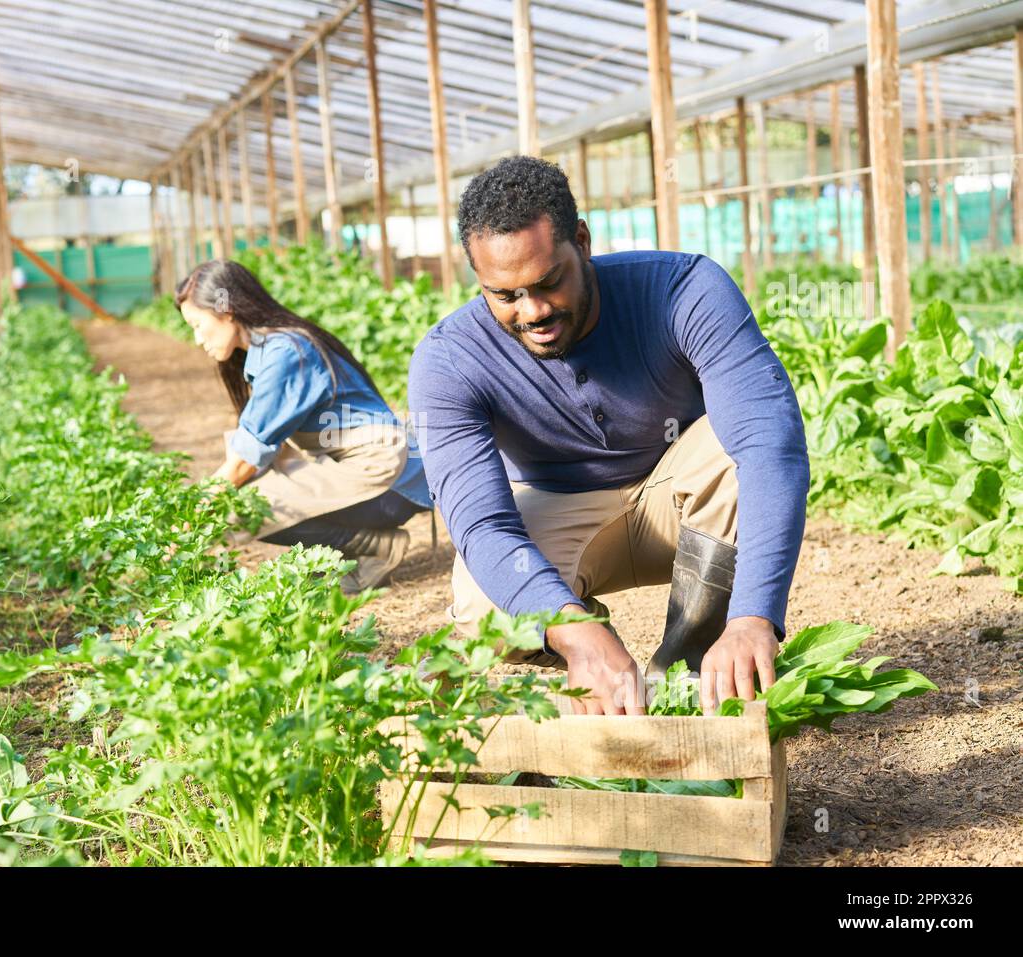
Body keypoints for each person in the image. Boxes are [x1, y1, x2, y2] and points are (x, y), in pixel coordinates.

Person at [407, 156, 809, 717]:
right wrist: (572, 630)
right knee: (484, 606)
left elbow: (770, 446)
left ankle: (692, 675)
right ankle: (596, 660)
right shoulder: (449, 359)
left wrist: (753, 617)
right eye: (506, 295)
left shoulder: (683, 289)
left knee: (739, 448)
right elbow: (481, 525)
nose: (535, 310)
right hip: (563, 506)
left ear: (582, 241)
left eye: (550, 282)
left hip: (686, 496)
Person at [177, 259, 431, 593]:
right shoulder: (268, 349)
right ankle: (348, 549)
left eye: (197, 324)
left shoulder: (285, 352)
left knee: (238, 508)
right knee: (243, 485)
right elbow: (255, 451)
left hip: (390, 483)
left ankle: (373, 546)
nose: (198, 339)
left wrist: (191, 517)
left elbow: (244, 461)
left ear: (225, 310)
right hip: (378, 472)